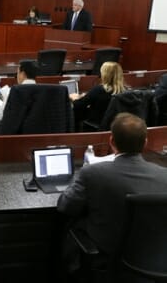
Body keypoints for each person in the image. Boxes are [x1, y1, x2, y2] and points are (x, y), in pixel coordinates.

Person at [57, 113, 167, 277]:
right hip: (154, 254)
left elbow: (65, 207)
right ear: (145, 142)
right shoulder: (164, 175)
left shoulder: (93, 172)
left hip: (107, 250)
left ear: (112, 141)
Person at [70, 61, 125, 130]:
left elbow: (79, 105)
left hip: (96, 127)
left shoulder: (99, 90)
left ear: (105, 75)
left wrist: (74, 98)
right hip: (117, 127)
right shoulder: (126, 91)